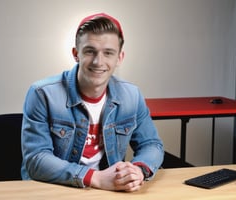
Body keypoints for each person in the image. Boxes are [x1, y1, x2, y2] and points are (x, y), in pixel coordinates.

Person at [21, 13, 164, 192]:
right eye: (90, 51)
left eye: (108, 53)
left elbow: (151, 144)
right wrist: (95, 177)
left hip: (108, 191)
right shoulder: (42, 94)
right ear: (76, 54)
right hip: (54, 189)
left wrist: (138, 170)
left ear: (119, 58)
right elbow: (36, 159)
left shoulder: (132, 95)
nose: (98, 61)